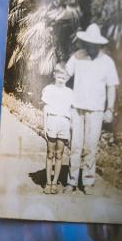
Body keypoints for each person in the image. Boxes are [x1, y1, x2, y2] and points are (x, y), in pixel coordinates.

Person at [63, 23, 119, 194]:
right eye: (89, 43)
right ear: (86, 42)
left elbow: (112, 86)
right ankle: (71, 182)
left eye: (94, 44)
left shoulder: (107, 62)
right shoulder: (77, 56)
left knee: (91, 146)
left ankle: (87, 181)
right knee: (75, 145)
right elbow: (64, 75)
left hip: (96, 110)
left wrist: (109, 109)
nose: (91, 46)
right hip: (77, 108)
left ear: (99, 44)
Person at [41, 63, 74, 194]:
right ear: (54, 75)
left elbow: (70, 113)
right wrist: (44, 126)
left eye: (64, 77)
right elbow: (45, 109)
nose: (61, 79)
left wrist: (70, 132)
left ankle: (55, 183)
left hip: (64, 124)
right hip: (52, 122)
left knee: (59, 154)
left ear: (68, 78)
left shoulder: (70, 93)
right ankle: (48, 183)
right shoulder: (49, 89)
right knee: (50, 153)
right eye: (59, 76)